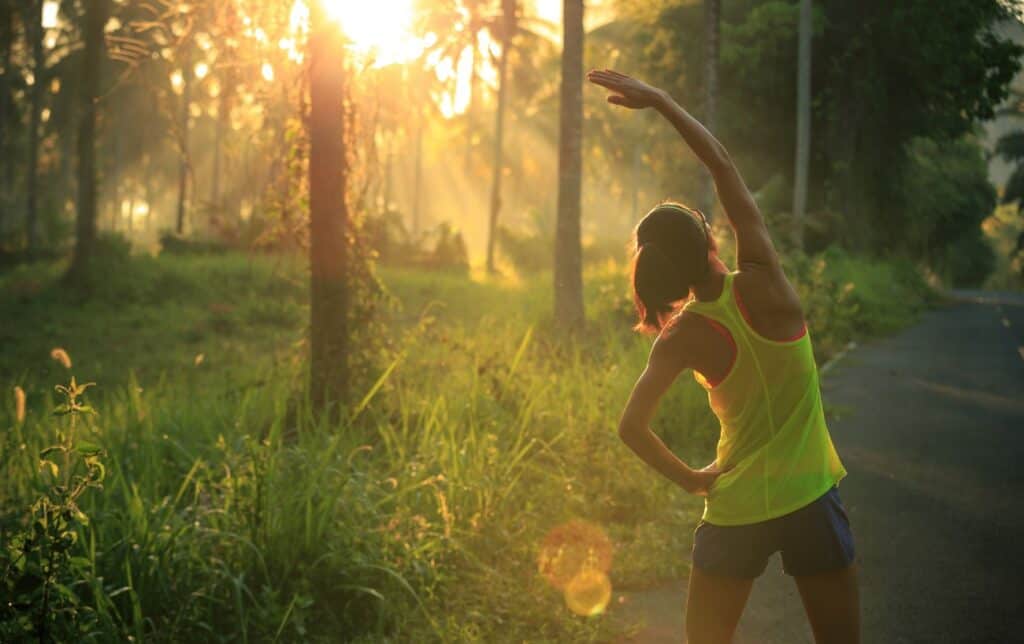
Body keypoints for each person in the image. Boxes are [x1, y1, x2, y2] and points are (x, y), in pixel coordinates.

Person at [587, 69, 859, 644]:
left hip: (735, 508)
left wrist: (693, 480)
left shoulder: (680, 336)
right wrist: (662, 101)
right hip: (811, 495)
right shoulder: (764, 280)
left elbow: (631, 427)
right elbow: (722, 165)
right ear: (710, 239)